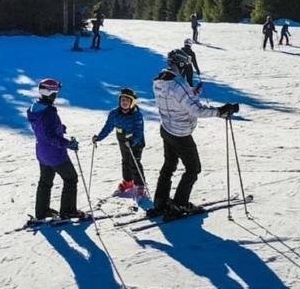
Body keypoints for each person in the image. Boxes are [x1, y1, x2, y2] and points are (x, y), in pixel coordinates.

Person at [150, 49, 238, 219]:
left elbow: (174, 99)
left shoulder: (160, 80)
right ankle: (179, 205)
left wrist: (192, 94)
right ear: (181, 64)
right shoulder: (179, 83)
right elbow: (196, 110)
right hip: (180, 132)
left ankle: (160, 201)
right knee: (193, 168)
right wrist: (220, 111)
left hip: (166, 128)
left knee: (169, 165)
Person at [27, 78, 84, 221]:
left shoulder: (35, 108)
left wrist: (60, 128)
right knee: (71, 178)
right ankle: (68, 212)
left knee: (45, 181)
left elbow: (43, 129)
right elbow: (50, 136)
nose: (56, 95)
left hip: (42, 153)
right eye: (55, 92)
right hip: (55, 154)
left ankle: (42, 211)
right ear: (50, 93)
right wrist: (67, 144)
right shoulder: (48, 113)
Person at [92, 88, 146, 198]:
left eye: (127, 101)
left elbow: (139, 131)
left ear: (132, 103)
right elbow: (108, 127)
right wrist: (99, 137)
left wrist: (133, 141)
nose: (124, 103)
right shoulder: (114, 114)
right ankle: (128, 181)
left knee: (134, 162)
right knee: (125, 161)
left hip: (136, 143)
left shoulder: (136, 115)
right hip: (122, 141)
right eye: (122, 101)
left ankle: (140, 185)